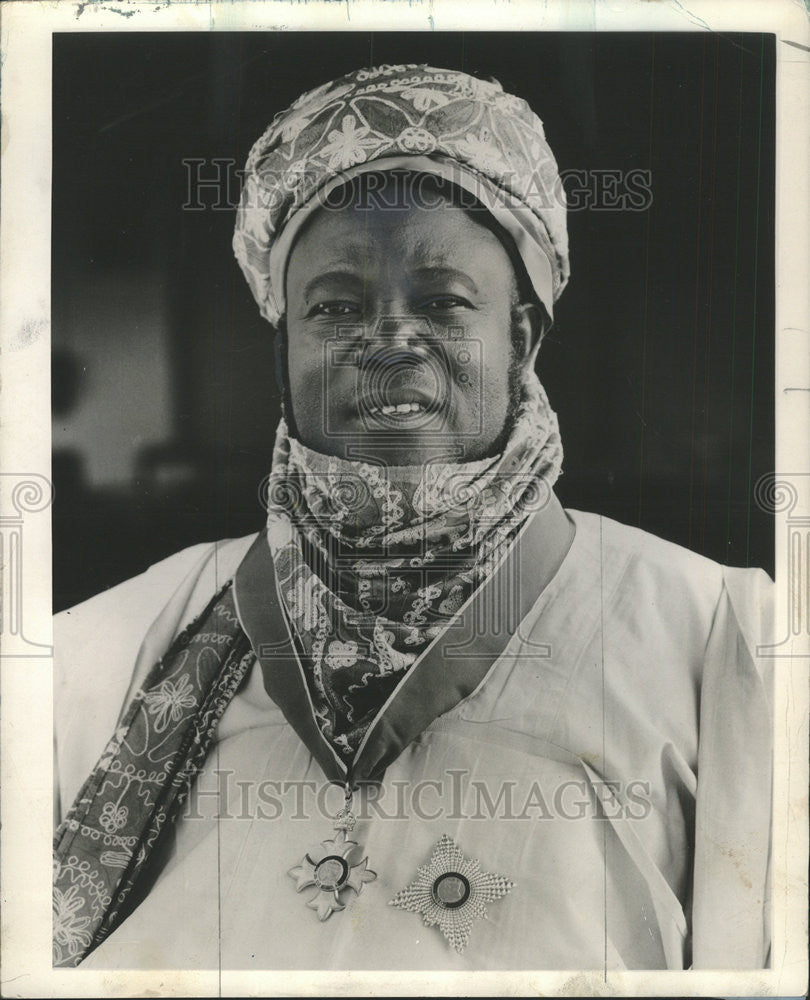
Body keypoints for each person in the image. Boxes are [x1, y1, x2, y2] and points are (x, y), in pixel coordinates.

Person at [52, 64, 773, 971]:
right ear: (283, 343)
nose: (389, 341)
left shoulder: (711, 636)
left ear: (523, 335)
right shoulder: (117, 642)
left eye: (442, 303)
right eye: (337, 307)